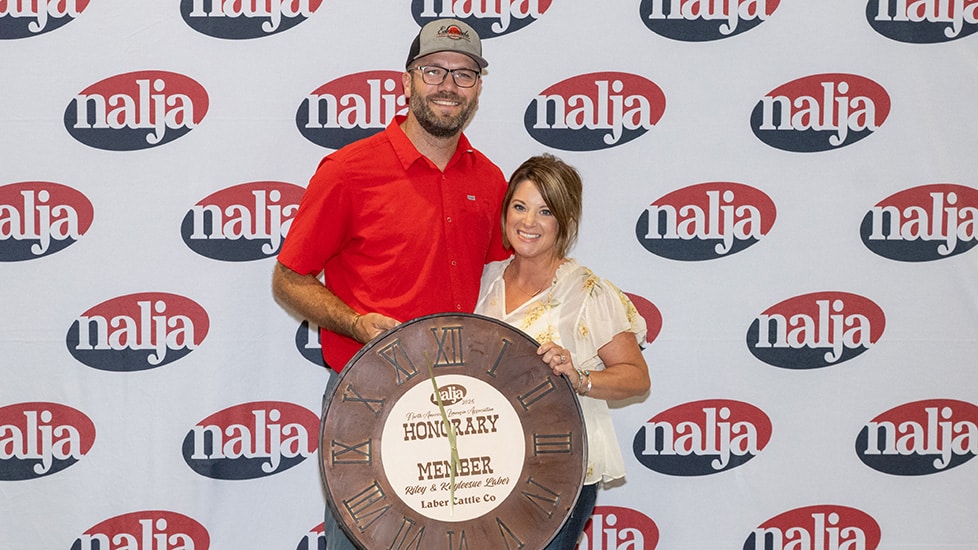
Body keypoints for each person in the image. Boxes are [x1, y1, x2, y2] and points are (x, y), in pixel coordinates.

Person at [271, 18, 508, 550]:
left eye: (464, 74)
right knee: (361, 541)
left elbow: (502, 286)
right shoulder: (349, 171)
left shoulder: (491, 180)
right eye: (434, 71)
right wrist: (355, 322)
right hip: (368, 396)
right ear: (406, 82)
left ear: (478, 89)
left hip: (463, 404)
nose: (448, 85)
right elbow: (289, 278)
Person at [475, 154, 651, 550]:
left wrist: (581, 378)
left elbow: (637, 377)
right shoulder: (485, 280)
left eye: (545, 211)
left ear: (565, 222)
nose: (528, 222)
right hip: (488, 473)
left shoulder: (588, 291)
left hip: (559, 475)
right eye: (519, 207)